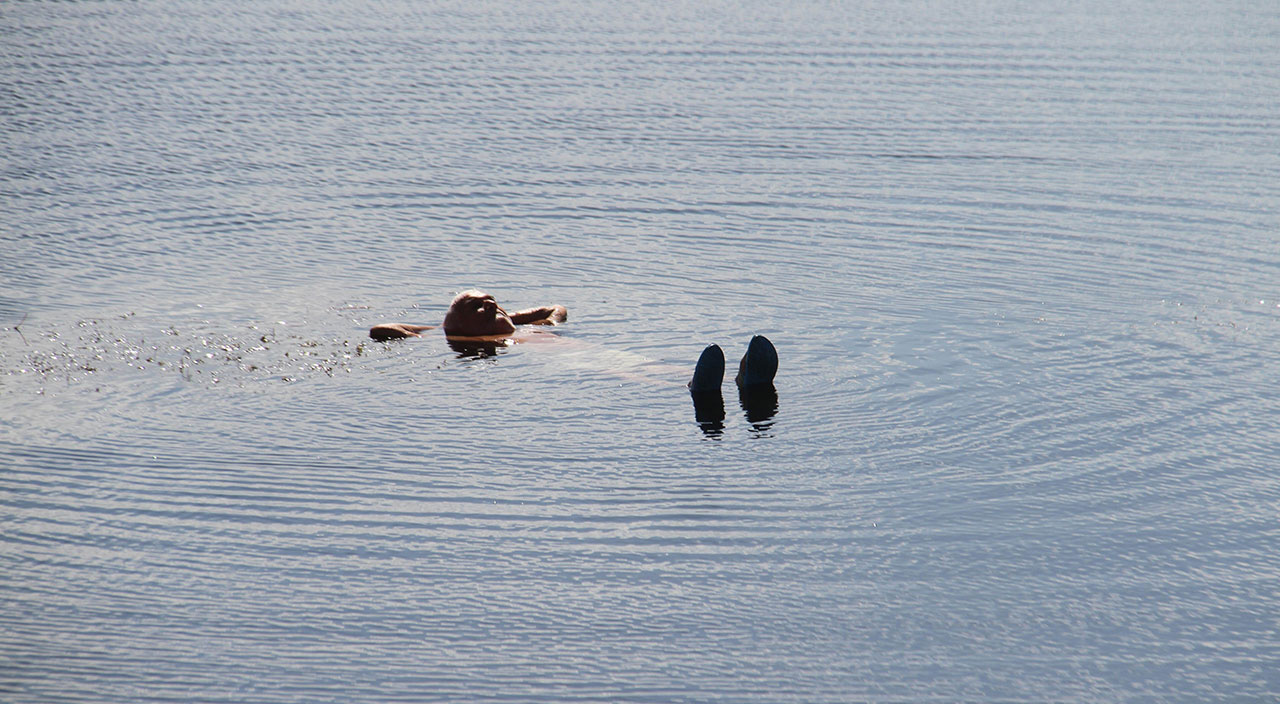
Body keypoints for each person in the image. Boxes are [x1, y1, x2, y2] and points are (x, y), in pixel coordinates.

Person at [369, 290, 567, 342]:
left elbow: (555, 308)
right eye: (477, 306)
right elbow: (380, 329)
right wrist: (423, 337)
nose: (491, 305)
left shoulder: (507, 321)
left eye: (491, 301)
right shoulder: (448, 332)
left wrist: (551, 322)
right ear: (457, 322)